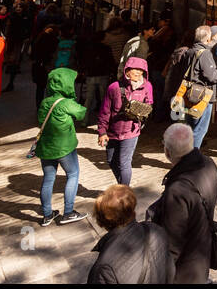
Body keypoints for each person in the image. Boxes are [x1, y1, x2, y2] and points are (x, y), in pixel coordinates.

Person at [147, 122, 217, 283]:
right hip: (203, 251)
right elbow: (215, 198)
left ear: (167, 152)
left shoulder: (177, 190)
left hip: (185, 269)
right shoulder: (209, 163)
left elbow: (172, 242)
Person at [88, 185, 174, 284]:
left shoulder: (104, 268)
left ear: (101, 222)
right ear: (133, 212)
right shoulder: (157, 230)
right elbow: (170, 271)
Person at [36, 66, 88, 227]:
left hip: (46, 148)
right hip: (65, 148)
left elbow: (40, 120)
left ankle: (47, 215)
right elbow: (81, 113)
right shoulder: (65, 103)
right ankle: (68, 212)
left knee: (48, 179)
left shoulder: (45, 102)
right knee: (73, 174)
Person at [97, 56, 154, 185]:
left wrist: (143, 110)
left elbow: (149, 104)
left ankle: (124, 192)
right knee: (111, 160)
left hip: (131, 132)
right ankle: (122, 187)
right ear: (127, 70)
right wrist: (102, 131)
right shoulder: (114, 87)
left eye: (141, 70)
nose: (138, 73)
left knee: (124, 162)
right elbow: (105, 111)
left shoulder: (147, 86)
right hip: (112, 131)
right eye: (135, 69)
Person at [170, 26, 217, 150]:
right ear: (207, 38)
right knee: (200, 129)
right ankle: (191, 157)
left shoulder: (189, 51)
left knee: (190, 126)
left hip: (189, 94)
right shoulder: (205, 54)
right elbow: (211, 76)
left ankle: (184, 154)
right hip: (201, 96)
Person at [30, 23, 60, 105]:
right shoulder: (56, 41)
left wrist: (43, 34)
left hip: (41, 66)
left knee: (40, 88)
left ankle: (39, 106)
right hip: (50, 66)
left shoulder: (40, 40)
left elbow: (34, 48)